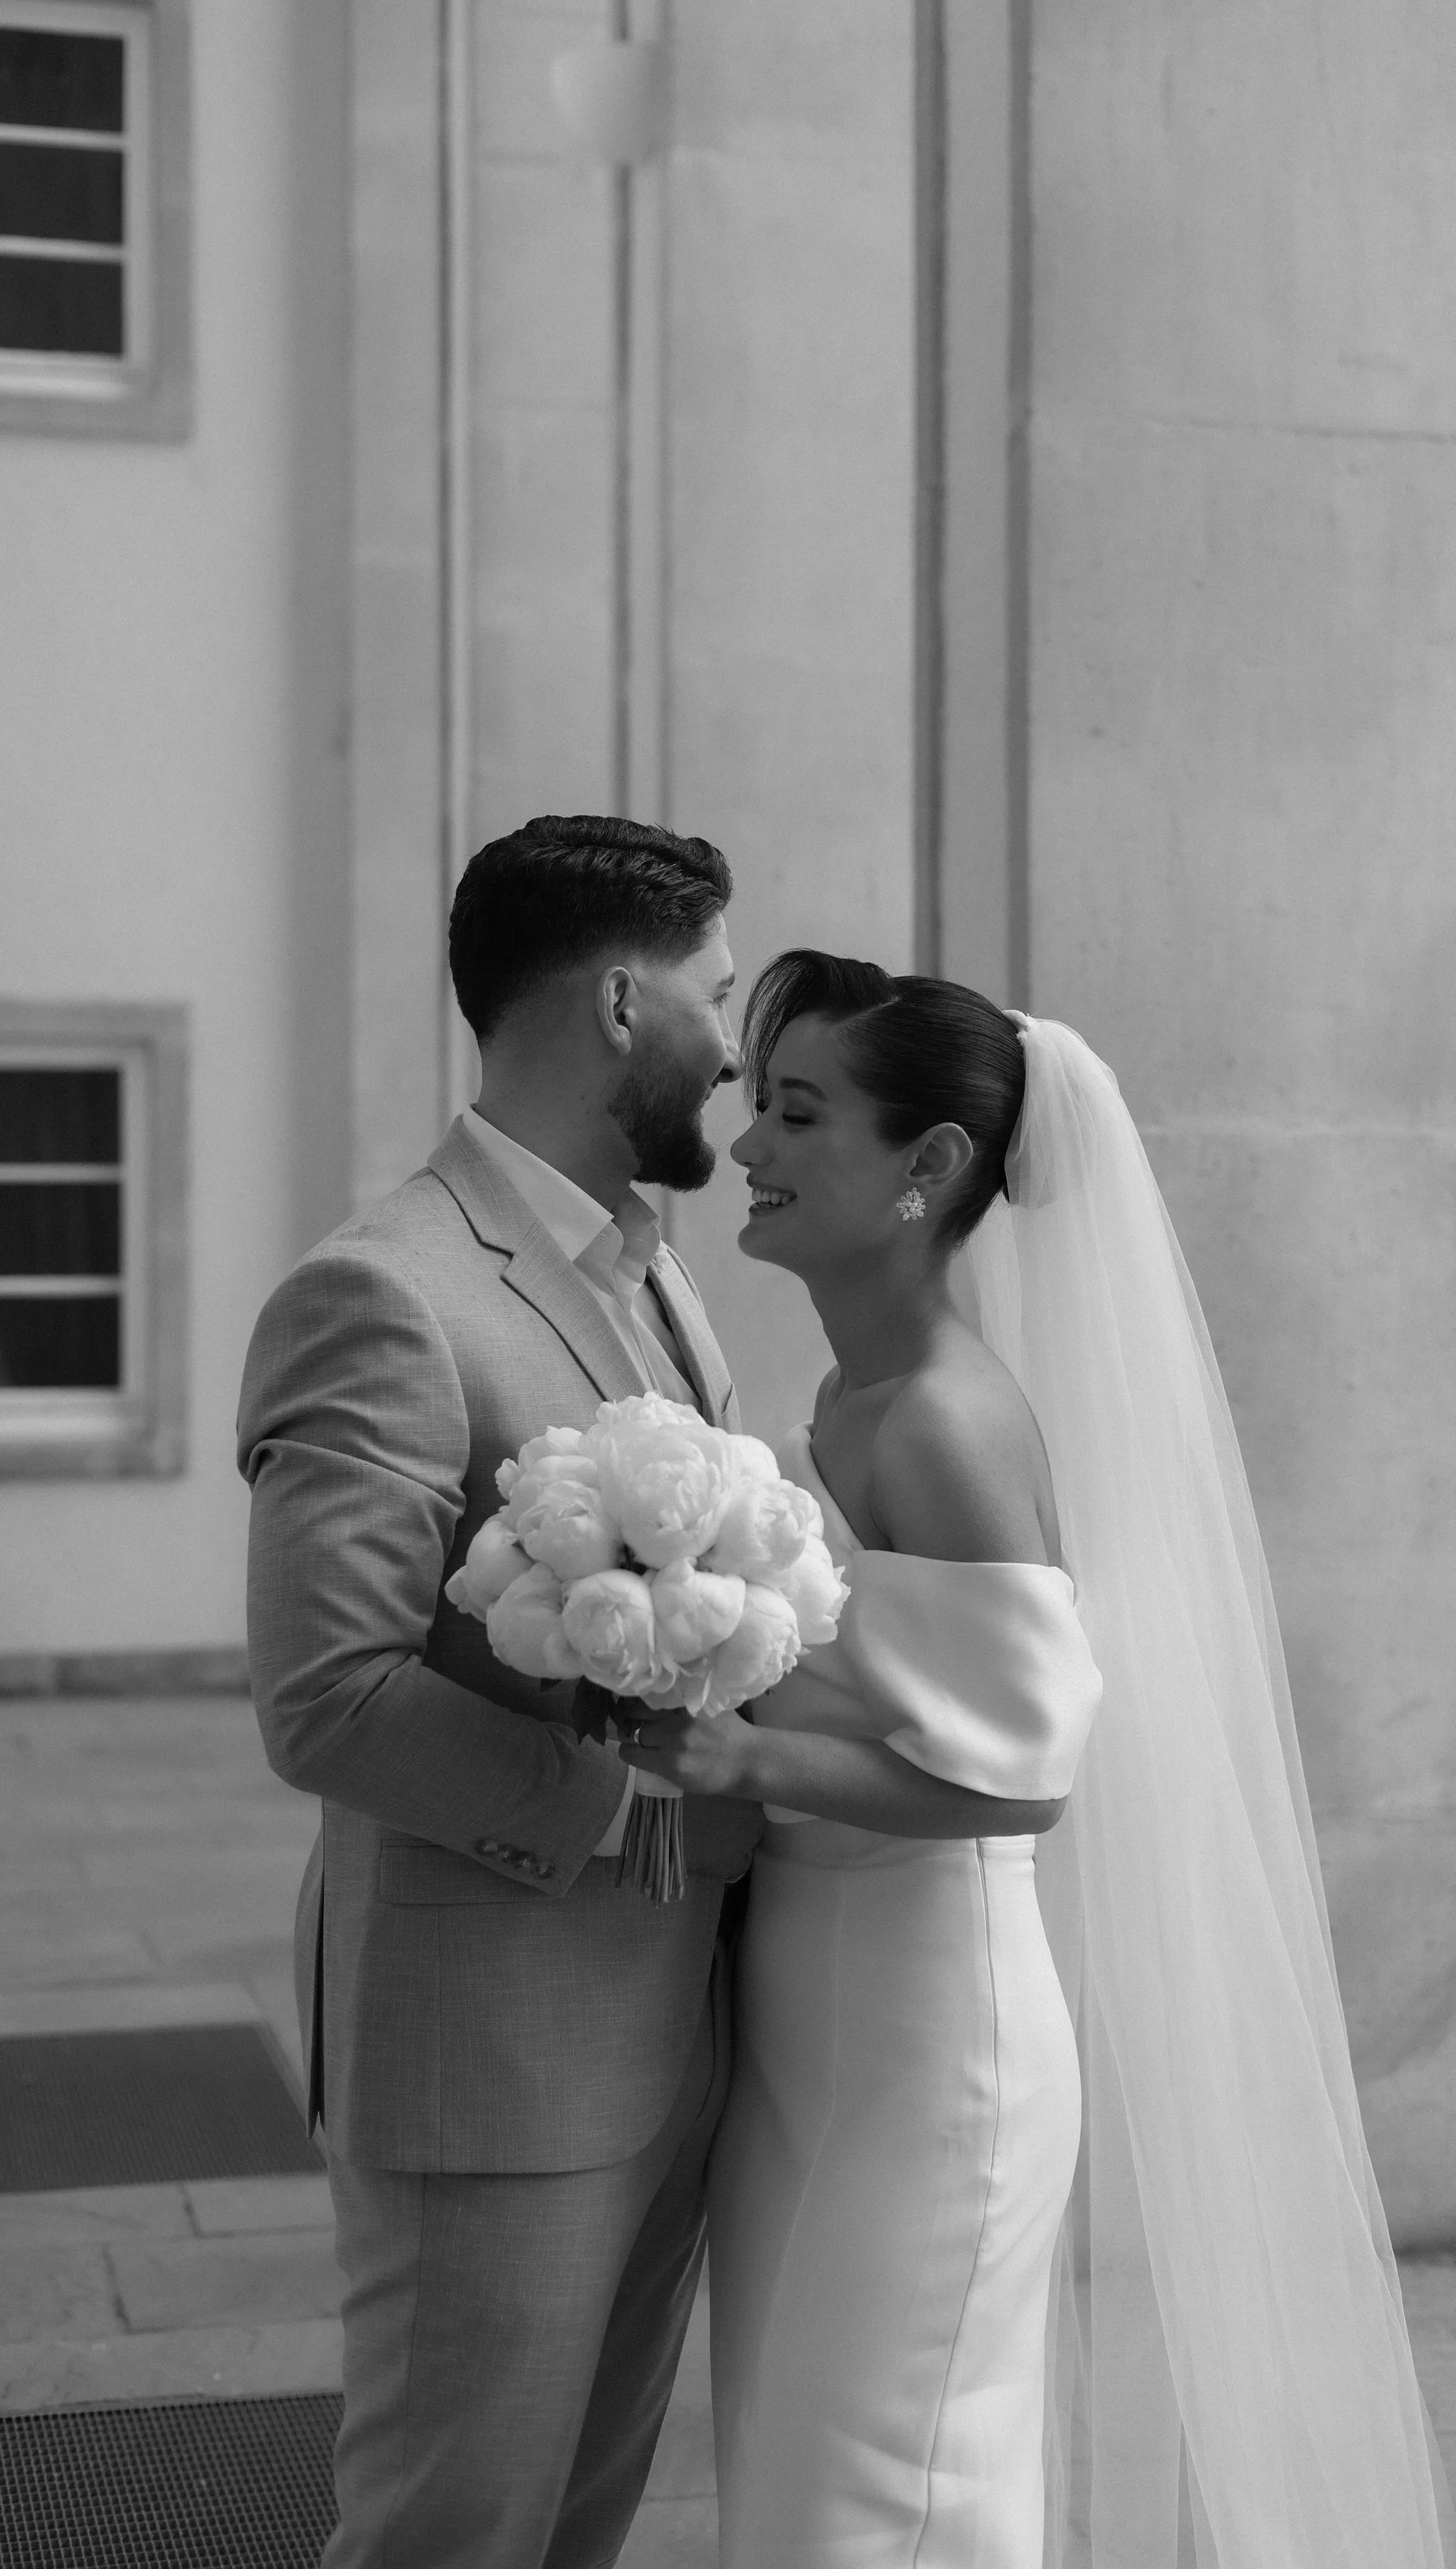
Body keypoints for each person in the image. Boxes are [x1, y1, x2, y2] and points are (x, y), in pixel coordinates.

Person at [629, 950, 1455, 2569]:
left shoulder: (938, 1419)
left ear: (930, 1169)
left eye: (798, 1114)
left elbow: (1023, 1778)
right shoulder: (850, 1393)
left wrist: (742, 1766)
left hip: (932, 2039)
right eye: (759, 1105)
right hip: (824, 2008)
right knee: (811, 2470)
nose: (749, 1148)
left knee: (890, 2487)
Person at [236, 815, 761, 2569]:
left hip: (670, 2031)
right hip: (494, 2060)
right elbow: (329, 1694)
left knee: (577, 2537)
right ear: (622, 1002)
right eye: (716, 989)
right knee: (448, 2539)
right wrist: (637, 1800)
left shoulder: (656, 1268)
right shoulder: (384, 1290)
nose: (735, 1035)